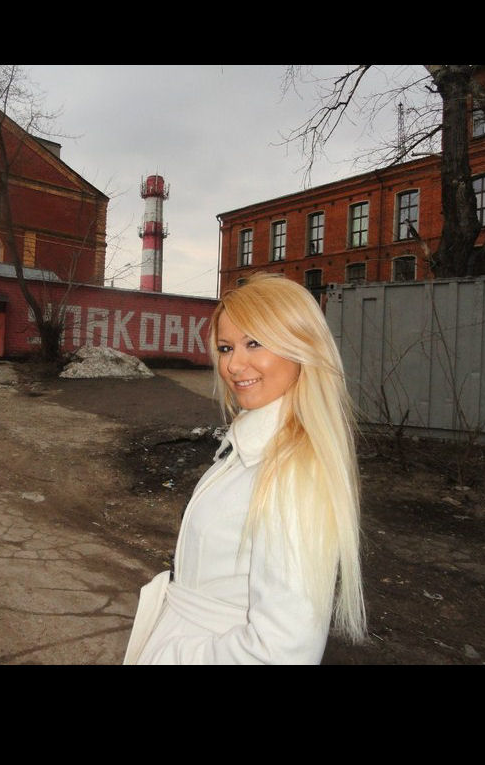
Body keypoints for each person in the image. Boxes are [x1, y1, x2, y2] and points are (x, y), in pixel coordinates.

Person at [123, 273, 366, 665]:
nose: (234, 365)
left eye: (254, 343)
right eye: (225, 347)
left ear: (301, 346)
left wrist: (173, 656)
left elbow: (282, 652)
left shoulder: (291, 473)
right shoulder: (252, 448)